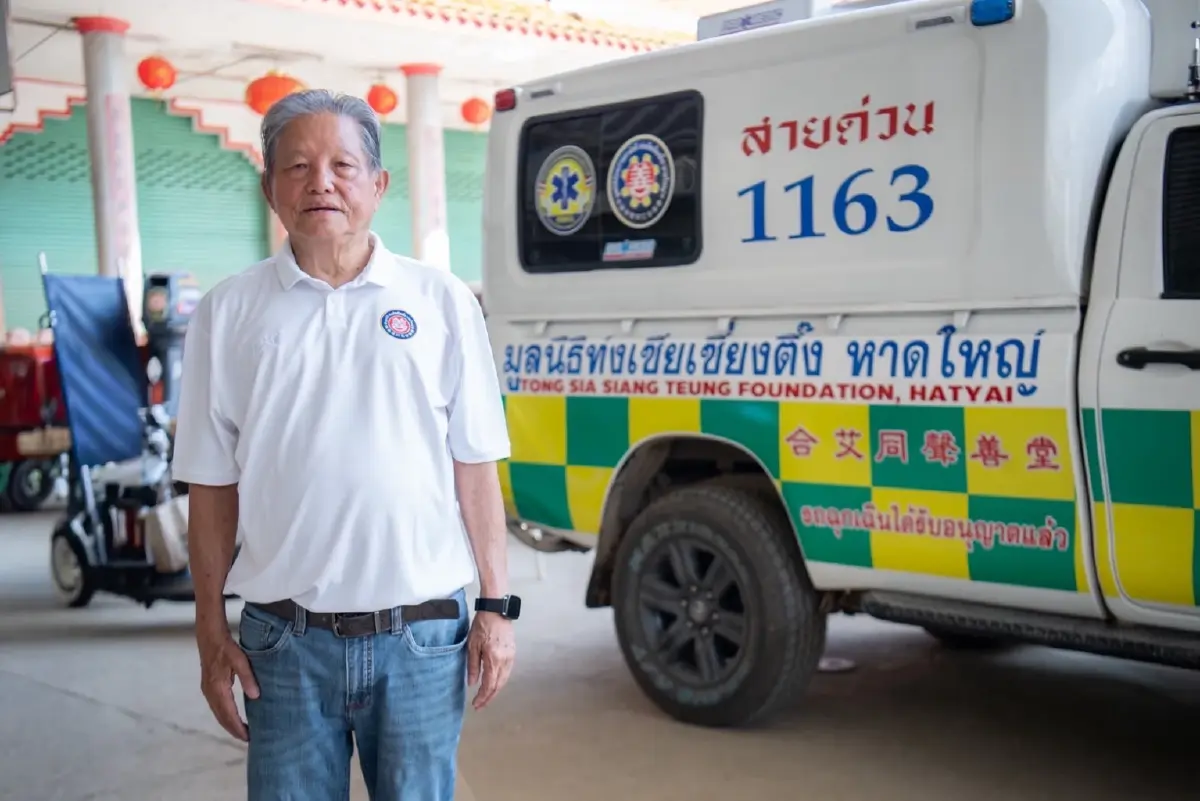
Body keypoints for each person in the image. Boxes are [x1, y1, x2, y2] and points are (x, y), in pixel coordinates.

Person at [171, 89, 518, 801]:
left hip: (423, 638)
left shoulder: (441, 301)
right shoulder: (228, 312)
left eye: (341, 164)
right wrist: (210, 629)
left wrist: (496, 606)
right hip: (284, 645)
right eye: (296, 166)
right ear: (270, 189)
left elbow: (475, 462)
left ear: (379, 184)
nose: (320, 182)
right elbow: (209, 483)